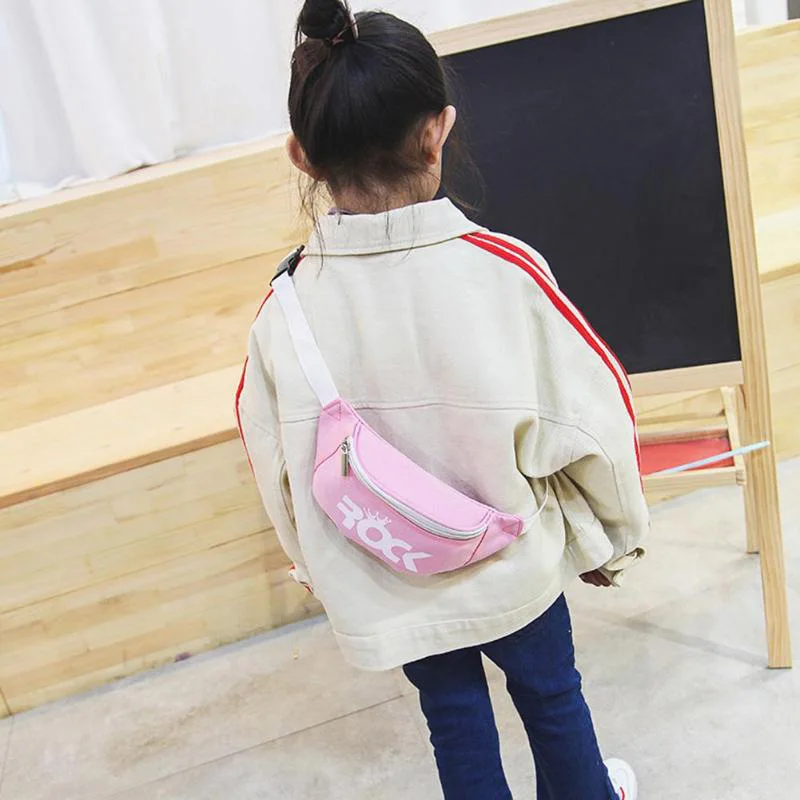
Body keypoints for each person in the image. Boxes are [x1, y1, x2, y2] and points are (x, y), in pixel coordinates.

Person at [235, 1, 649, 797]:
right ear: (438, 130)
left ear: (302, 157)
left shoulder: (283, 312)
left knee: (453, 720)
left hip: (389, 574)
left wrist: (319, 566)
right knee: (553, 699)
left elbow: (274, 460)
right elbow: (594, 418)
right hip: (512, 564)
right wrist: (610, 539)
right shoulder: (504, 273)